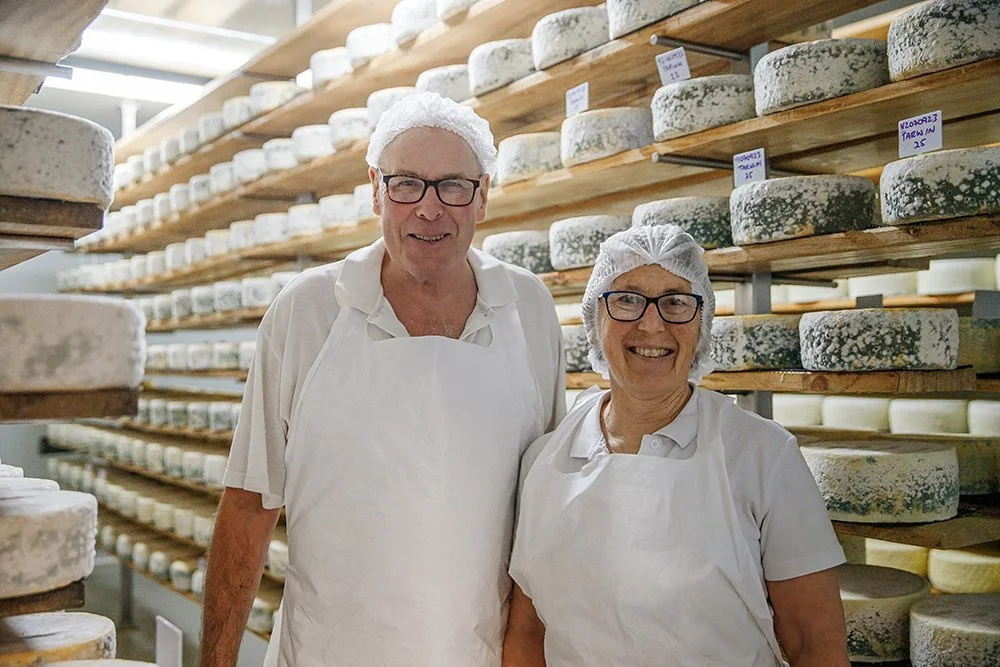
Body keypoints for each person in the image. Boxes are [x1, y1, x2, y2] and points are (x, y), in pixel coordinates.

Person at [197, 92, 565, 667]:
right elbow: (248, 503)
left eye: (453, 185)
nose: (429, 208)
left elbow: (547, 512)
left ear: (483, 196)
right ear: (375, 188)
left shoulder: (529, 309)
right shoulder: (309, 310)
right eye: (406, 184)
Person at [503, 225, 849, 667]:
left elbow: (815, 646)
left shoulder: (763, 456)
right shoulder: (544, 460)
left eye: (676, 301)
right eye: (627, 299)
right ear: (595, 319)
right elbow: (527, 632)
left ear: (701, 325)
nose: (652, 324)